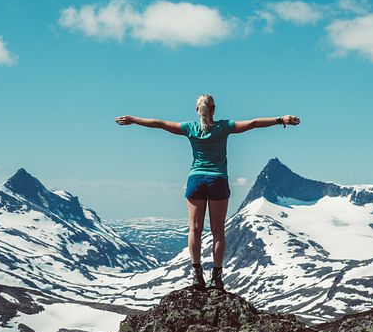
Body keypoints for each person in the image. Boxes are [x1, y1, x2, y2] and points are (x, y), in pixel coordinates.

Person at [115, 94, 301, 291]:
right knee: (218, 232)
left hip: (196, 180)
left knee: (194, 229)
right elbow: (254, 123)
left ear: (197, 110)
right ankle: (217, 277)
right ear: (214, 109)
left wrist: (133, 120)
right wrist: (281, 119)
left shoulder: (190, 128)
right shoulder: (224, 127)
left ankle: (197, 275)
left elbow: (159, 124)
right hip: (218, 180)